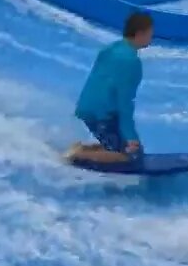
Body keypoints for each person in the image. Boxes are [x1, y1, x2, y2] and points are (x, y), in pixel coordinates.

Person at [66, 11, 154, 164]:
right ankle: (78, 154)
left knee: (127, 147)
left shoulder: (110, 49)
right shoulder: (131, 62)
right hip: (102, 115)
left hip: (87, 107)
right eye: (150, 34)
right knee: (130, 157)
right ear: (140, 34)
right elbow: (124, 102)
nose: (151, 38)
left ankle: (83, 148)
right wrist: (130, 136)